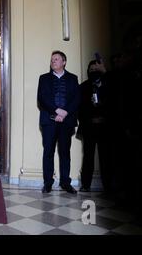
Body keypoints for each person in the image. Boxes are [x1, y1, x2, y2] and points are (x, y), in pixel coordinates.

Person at [37, 50, 80, 194]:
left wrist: (65, 112)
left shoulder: (73, 78)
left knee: (65, 152)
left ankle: (65, 183)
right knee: (48, 152)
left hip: (66, 121)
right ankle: (48, 183)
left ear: (64, 62)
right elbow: (42, 99)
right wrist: (56, 111)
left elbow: (76, 99)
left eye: (56, 59)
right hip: (49, 121)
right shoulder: (43, 78)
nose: (53, 61)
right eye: (52, 59)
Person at [78, 59, 112, 192]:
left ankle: (108, 186)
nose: (93, 72)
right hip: (89, 127)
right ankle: (86, 185)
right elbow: (79, 109)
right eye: (91, 70)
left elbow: (113, 104)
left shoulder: (108, 85)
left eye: (95, 70)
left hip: (105, 127)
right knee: (88, 157)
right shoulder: (83, 87)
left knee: (106, 157)